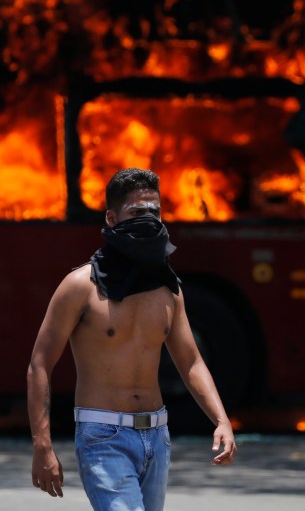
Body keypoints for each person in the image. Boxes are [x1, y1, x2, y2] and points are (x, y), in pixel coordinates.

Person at [27, 168, 237, 510]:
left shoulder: (169, 290)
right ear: (112, 218)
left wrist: (222, 420)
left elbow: (191, 362)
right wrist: (42, 445)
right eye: (137, 212)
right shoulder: (81, 286)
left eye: (154, 212)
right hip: (103, 436)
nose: (148, 220)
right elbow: (39, 364)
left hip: (157, 436)